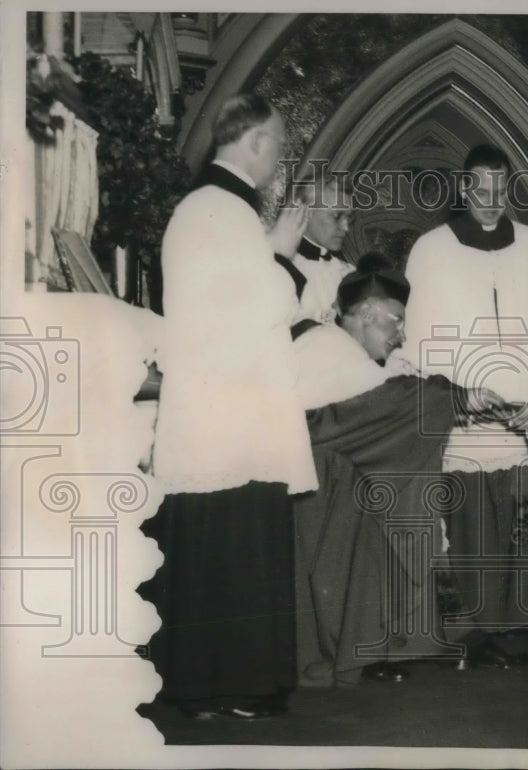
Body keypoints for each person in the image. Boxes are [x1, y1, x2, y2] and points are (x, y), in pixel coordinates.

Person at [143, 93, 316, 720]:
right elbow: (266, 304)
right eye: (279, 147)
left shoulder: (207, 207)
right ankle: (228, 687)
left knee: (219, 547)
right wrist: (287, 255)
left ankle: (216, 687)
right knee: (237, 544)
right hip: (232, 416)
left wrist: (270, 251)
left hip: (220, 408)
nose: (279, 161)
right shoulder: (223, 208)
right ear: (258, 142)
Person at [292, 253, 508, 687]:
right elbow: (391, 404)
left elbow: (388, 404)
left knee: (408, 498)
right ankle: (395, 640)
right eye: (396, 321)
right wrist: (460, 399)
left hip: (344, 481)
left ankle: (400, 638)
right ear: (368, 313)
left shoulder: (351, 354)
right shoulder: (326, 347)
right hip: (316, 496)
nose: (402, 335)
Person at [397, 144, 528, 668]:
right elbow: (422, 336)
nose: (491, 200)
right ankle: (475, 628)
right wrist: (460, 392)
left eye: (500, 188)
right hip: (468, 413)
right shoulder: (431, 249)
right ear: (464, 189)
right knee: (472, 525)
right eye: (480, 189)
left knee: (522, 524)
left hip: (522, 416)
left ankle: (517, 627)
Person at [290, 172, 355, 323]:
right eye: (337, 216)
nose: (346, 227)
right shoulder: (282, 269)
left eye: (349, 217)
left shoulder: (349, 274)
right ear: (306, 211)